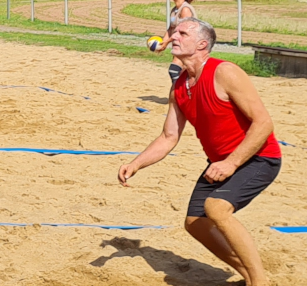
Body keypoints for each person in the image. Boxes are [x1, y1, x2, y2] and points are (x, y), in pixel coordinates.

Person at [117, 18, 280, 286]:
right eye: (174, 32)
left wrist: (231, 163)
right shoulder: (179, 86)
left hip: (258, 157)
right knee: (195, 223)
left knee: (216, 209)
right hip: (220, 161)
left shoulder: (224, 72)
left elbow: (264, 123)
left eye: (182, 33)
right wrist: (136, 164)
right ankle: (251, 274)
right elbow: (169, 137)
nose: (173, 37)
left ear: (202, 44)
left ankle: (259, 282)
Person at [160, 0, 197, 83]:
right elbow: (170, 28)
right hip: (179, 44)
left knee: (174, 70)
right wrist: (163, 43)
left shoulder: (185, 9)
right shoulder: (174, 9)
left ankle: (179, 96)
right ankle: (185, 95)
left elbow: (183, 30)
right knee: (184, 73)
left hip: (187, 43)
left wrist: (168, 41)